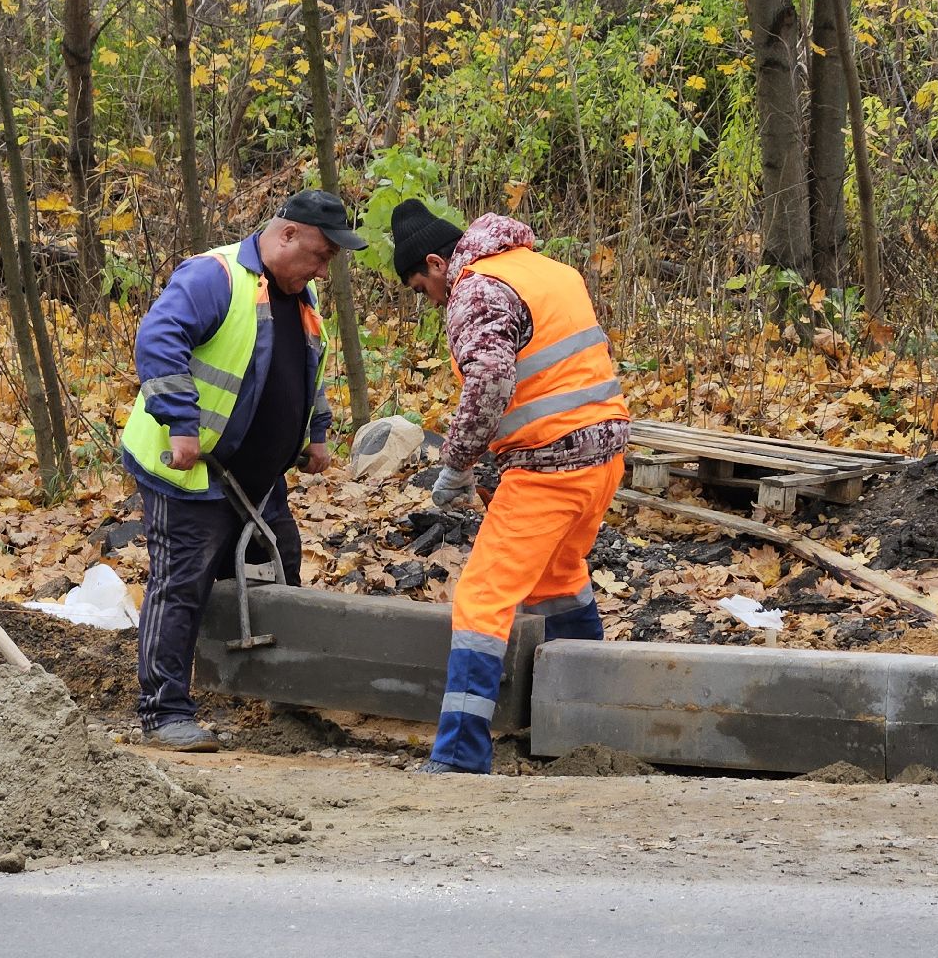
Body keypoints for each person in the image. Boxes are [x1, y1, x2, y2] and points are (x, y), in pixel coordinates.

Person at [387, 199, 629, 774]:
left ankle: (460, 754)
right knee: (559, 580)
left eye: (423, 289)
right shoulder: (546, 269)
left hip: (550, 466)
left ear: (435, 263)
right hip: (604, 456)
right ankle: (585, 728)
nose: (431, 301)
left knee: (481, 599)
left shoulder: (476, 289)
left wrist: (459, 465)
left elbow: (492, 377)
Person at [120, 190, 365, 750]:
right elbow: (158, 339)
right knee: (183, 583)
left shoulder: (299, 296)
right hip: (190, 471)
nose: (324, 269)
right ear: (286, 236)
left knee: (283, 565)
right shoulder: (216, 277)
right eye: (320, 254)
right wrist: (181, 424)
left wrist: (315, 436)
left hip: (256, 479)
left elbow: (308, 370)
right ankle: (164, 713)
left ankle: (283, 700)